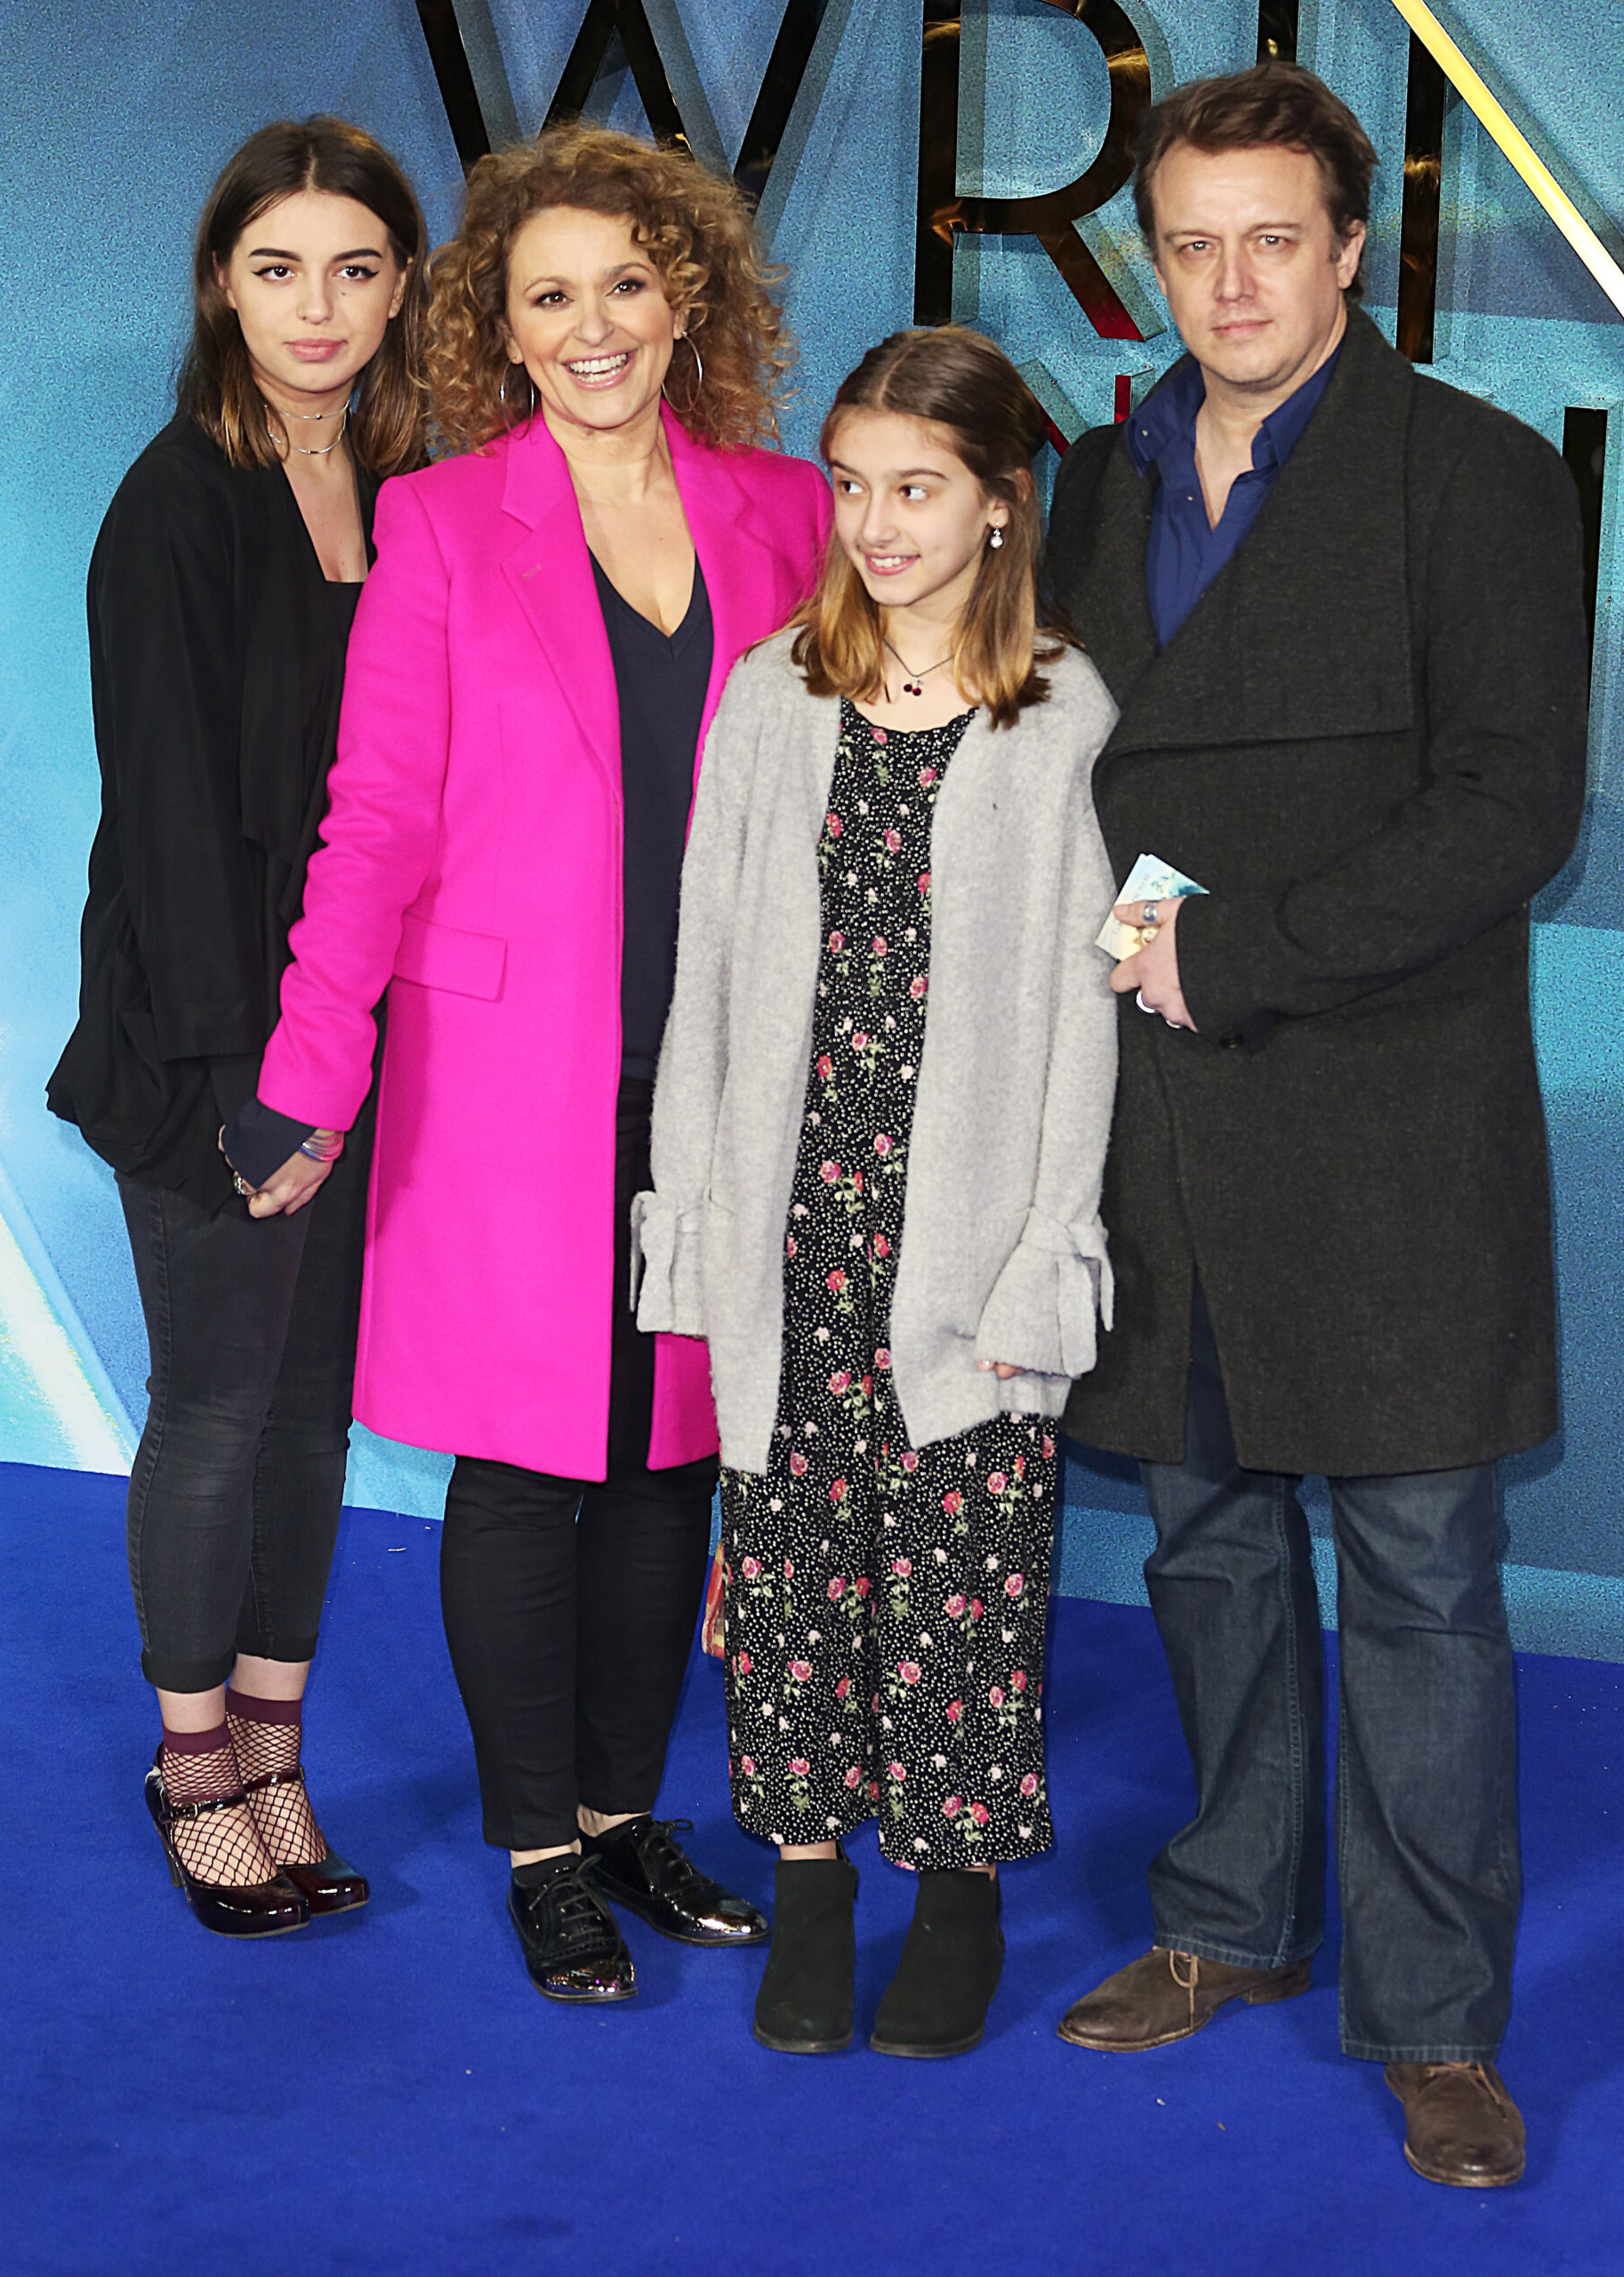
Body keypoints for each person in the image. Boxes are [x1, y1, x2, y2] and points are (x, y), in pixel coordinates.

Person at [1045, 63, 1587, 2187]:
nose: (1233, 282)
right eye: (1193, 244)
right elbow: (1048, 771)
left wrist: (1240, 952)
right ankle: (1231, 1915)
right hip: (1160, 1120)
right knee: (1204, 1537)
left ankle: (1439, 2017)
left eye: (1275, 239)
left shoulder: (1478, 476)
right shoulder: (1094, 484)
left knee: (1425, 1571)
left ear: (1354, 249)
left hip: (1390, 1118)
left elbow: (1510, 804)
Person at [240, 123, 833, 2003]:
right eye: (549, 296)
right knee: (523, 1466)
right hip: (508, 1078)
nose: (593, 329)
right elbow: (377, 817)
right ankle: (539, 1852)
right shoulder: (439, 521)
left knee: (668, 1461)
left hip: (723, 1075)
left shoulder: (786, 514)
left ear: (686, 300)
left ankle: (621, 1811)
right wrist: (310, 1067)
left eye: (626, 287)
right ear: (497, 328)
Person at [637, 326, 1120, 2058]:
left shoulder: (1066, 714)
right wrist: (693, 1201)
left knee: (962, 1568)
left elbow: (1086, 1015)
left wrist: (1047, 1245)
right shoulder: (776, 693)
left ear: (999, 503)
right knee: (787, 1558)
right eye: (851, 485)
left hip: (969, 1226)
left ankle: (958, 1894)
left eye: (916, 488)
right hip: (795, 1210)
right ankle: (812, 1881)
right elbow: (706, 967)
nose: (875, 523)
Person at [47, 118, 429, 1936]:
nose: (316, 307)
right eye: (278, 268)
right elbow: (173, 820)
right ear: (222, 284)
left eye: (355, 268)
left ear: (405, 286)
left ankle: (275, 1752)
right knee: (215, 1405)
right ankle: (191, 1764)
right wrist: (243, 1082)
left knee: (311, 1418)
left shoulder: (408, 486)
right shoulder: (177, 500)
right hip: (213, 1043)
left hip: (359, 1031)